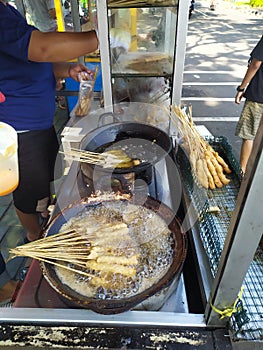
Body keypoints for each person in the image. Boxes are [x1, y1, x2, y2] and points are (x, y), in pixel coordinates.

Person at [0, 0, 99, 242]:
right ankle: (35, 235)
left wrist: (66, 70)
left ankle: (42, 208)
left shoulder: (7, 10)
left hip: (39, 121)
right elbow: (42, 48)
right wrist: (101, 37)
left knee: (45, 175)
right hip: (20, 126)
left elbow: (26, 61)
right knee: (28, 188)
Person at [235, 35, 263, 174]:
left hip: (259, 95)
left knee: (249, 135)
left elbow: (256, 64)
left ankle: (243, 171)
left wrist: (241, 88)